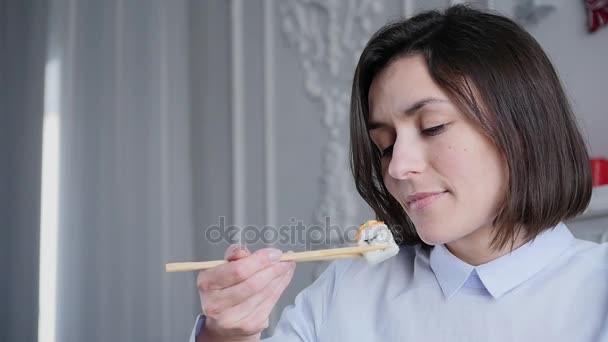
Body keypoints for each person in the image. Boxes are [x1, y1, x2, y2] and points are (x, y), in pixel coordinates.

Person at [190, 5, 608, 342]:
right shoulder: (347, 288)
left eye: (432, 127)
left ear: (522, 127)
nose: (397, 166)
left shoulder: (597, 292)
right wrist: (227, 335)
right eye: (385, 145)